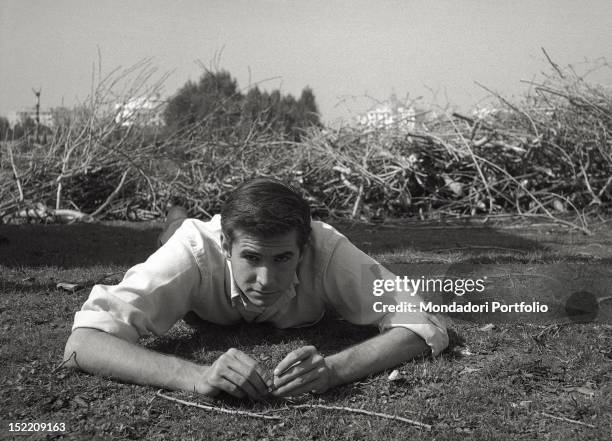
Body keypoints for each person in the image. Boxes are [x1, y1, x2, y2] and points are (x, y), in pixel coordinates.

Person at [64, 178, 448, 399]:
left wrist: (334, 369)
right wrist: (193, 376)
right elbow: (84, 342)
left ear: (303, 248)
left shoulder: (325, 245)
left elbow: (423, 322)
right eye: (251, 258)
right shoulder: (195, 250)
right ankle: (175, 214)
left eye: (282, 259)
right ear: (226, 247)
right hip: (181, 243)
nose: (265, 280)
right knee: (171, 235)